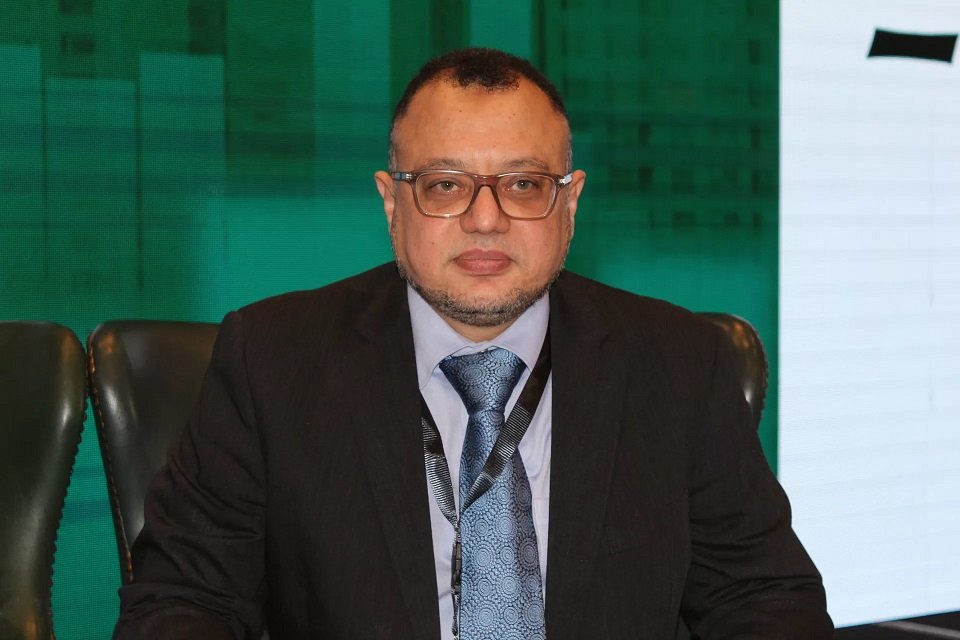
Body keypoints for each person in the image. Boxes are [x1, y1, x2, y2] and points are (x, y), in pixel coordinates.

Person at [114, 48, 832, 639]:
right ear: (392, 204)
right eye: (444, 185)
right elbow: (184, 600)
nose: (486, 219)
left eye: (523, 184)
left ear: (569, 204)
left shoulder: (681, 363)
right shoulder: (270, 359)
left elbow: (764, 598)